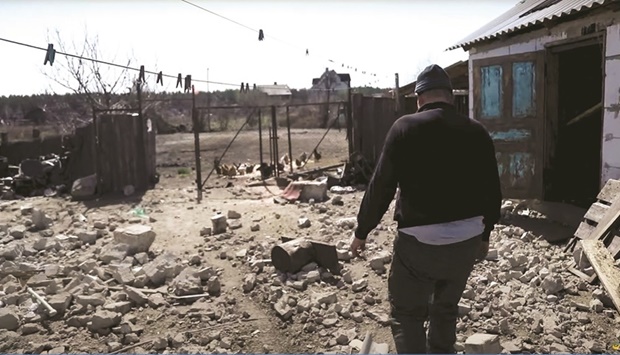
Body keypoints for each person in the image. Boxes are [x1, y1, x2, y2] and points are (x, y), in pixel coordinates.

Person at [350, 64, 502, 354]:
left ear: (419, 98)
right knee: (445, 308)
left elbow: (380, 187)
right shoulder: (477, 132)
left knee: (407, 313)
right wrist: (485, 236)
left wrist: (362, 231)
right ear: (450, 96)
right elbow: (492, 191)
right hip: (467, 240)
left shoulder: (404, 128)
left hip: (419, 244)